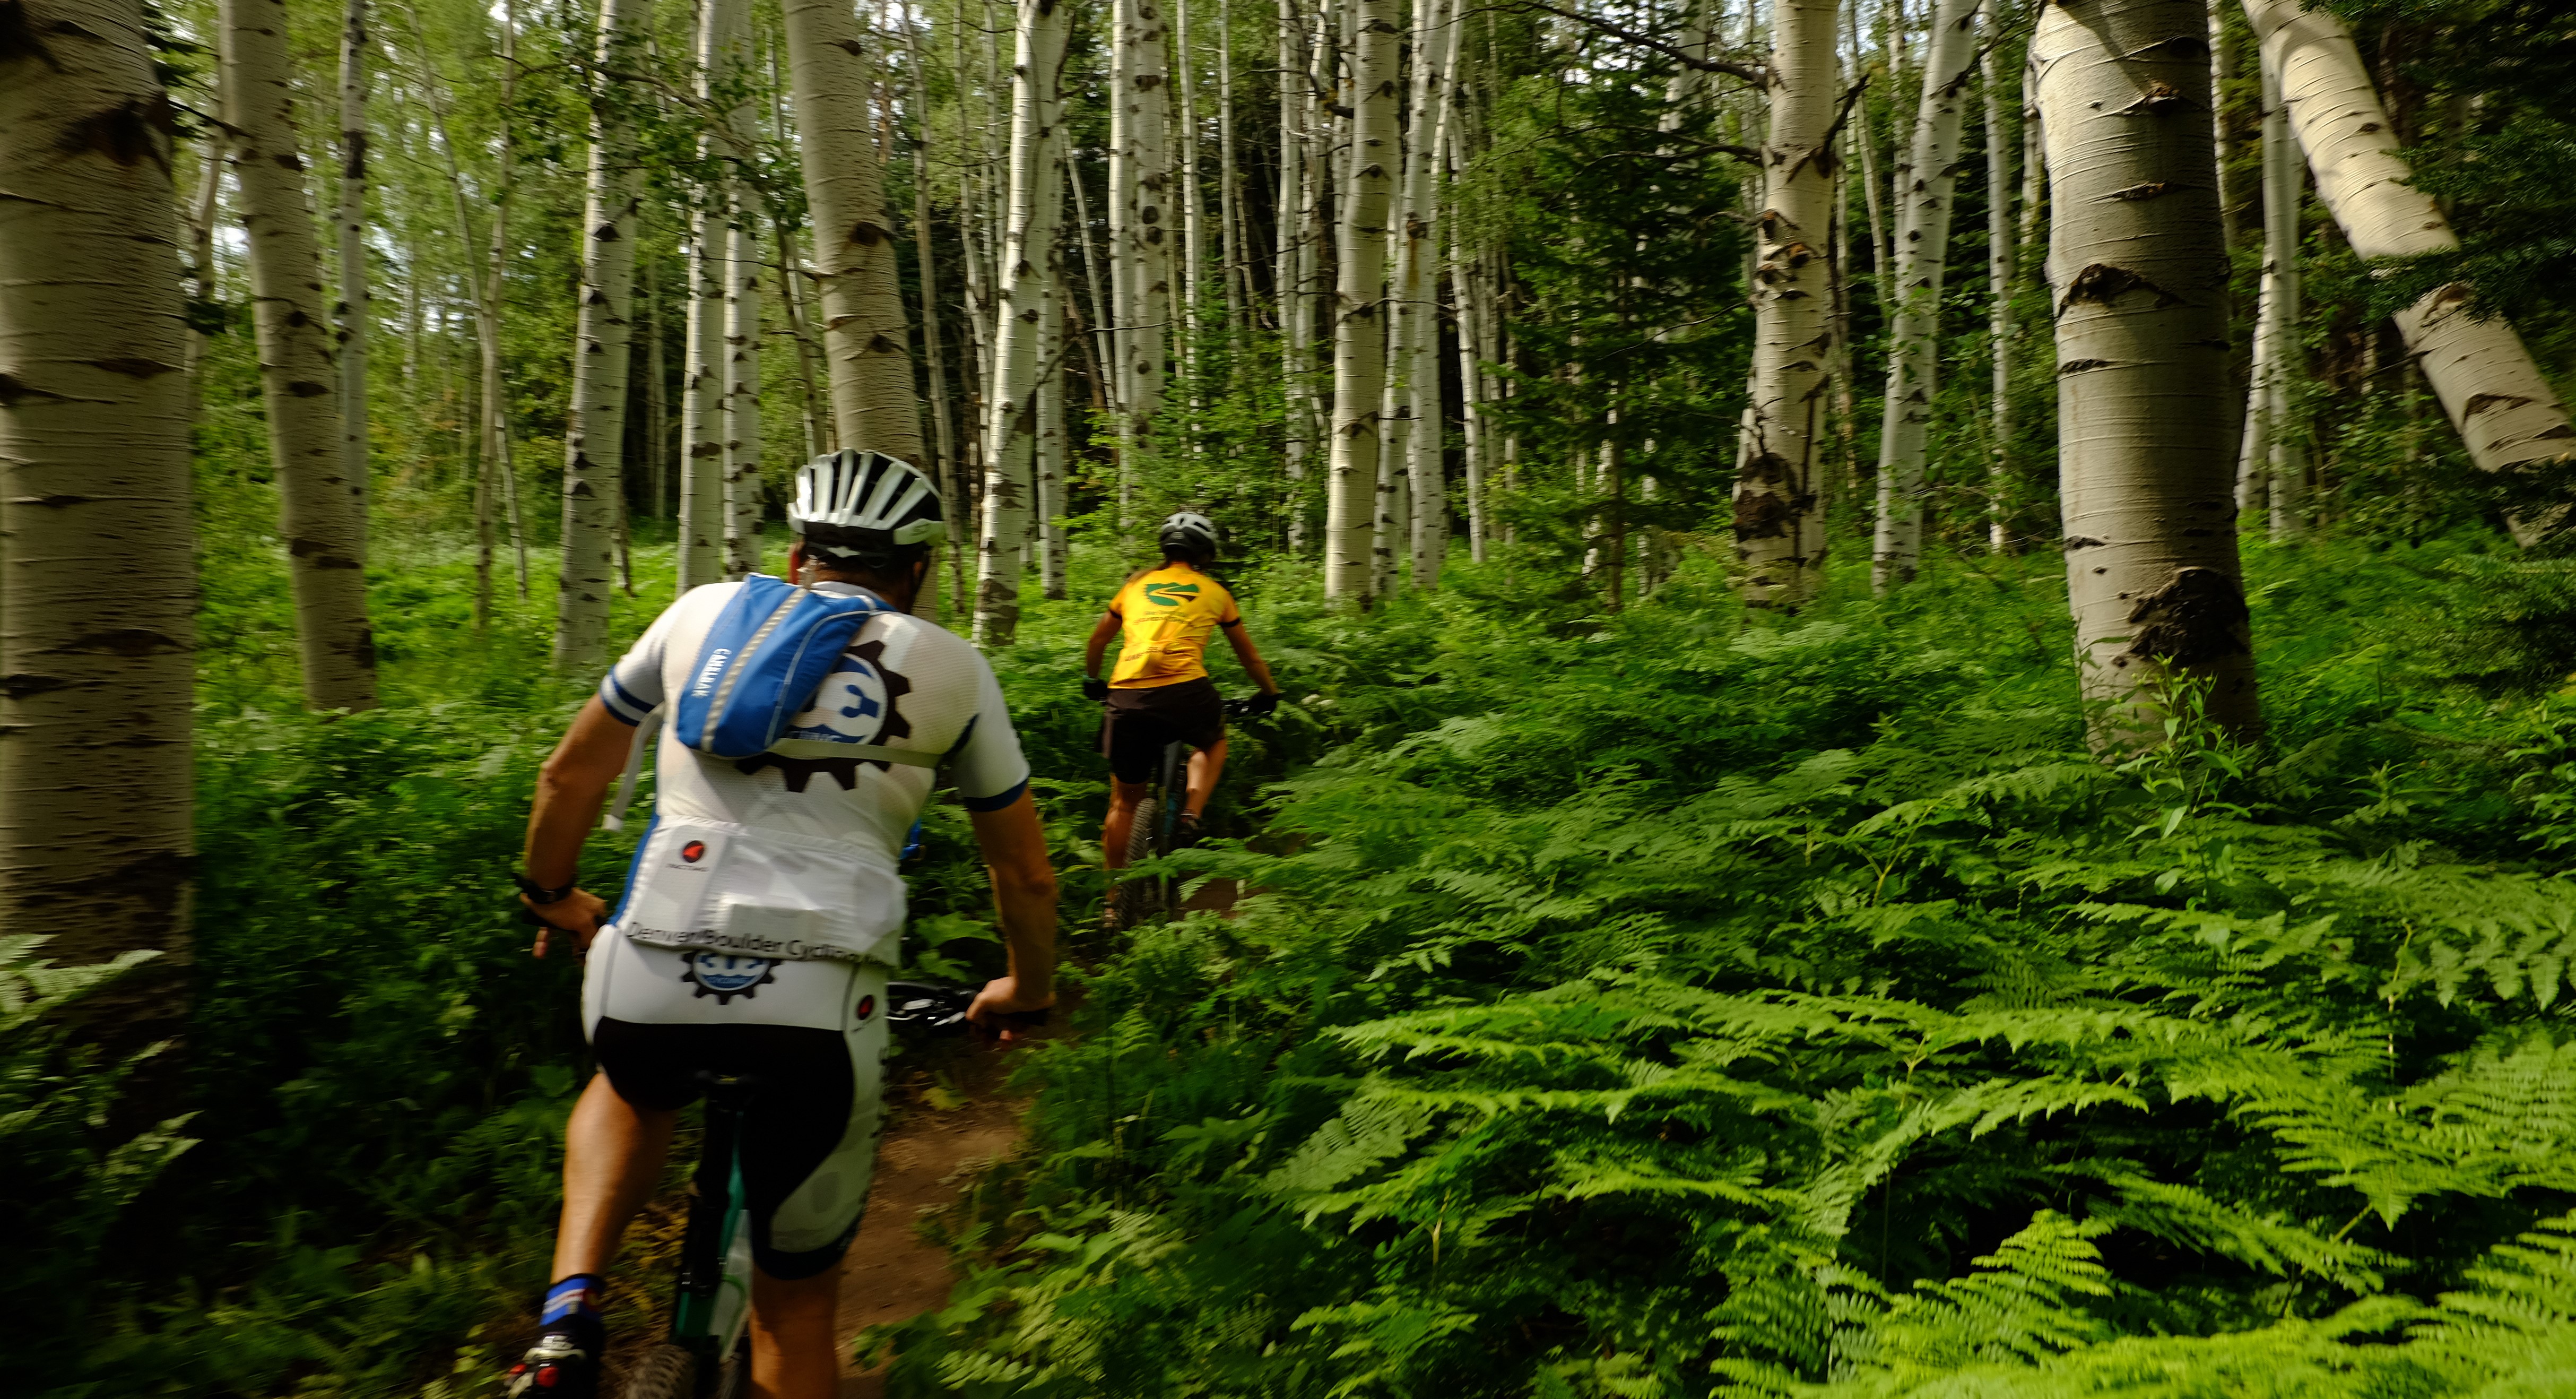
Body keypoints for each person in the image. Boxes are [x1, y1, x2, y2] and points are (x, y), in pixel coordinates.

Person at [507, 450, 1059, 1399]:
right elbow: (1025, 873)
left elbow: (569, 775)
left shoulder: (698, 615)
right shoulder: (956, 671)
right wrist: (1027, 989)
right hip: (820, 1001)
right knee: (794, 1311)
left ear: (798, 550)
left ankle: (566, 1318)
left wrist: (551, 893)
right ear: (917, 568)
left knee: (630, 1083)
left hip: (649, 964)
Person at [1082, 511, 1281, 884]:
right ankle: (1191, 814)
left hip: (1127, 695)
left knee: (1123, 804)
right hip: (1186, 693)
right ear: (1206, 555)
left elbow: (1098, 640)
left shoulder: (1134, 586)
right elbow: (1249, 656)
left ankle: (1112, 900)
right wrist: (1268, 694)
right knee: (1213, 741)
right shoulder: (1216, 593)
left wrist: (1091, 680)